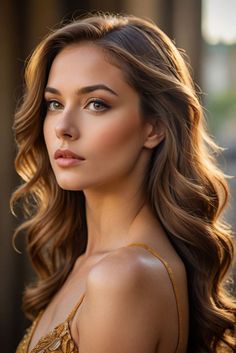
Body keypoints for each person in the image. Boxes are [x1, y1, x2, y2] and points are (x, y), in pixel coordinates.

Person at [12, 12, 235, 353]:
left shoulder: (124, 276)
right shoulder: (89, 260)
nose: (63, 128)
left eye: (96, 104)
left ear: (154, 127)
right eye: (55, 103)